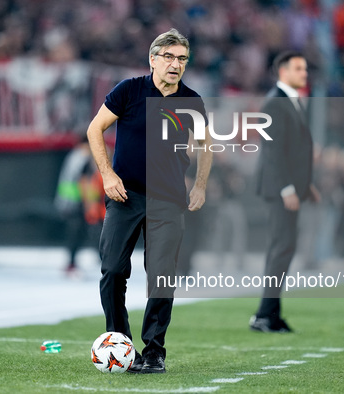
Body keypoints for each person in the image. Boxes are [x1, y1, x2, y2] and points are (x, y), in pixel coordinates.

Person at [86, 28, 212, 373]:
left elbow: (206, 146)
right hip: (125, 195)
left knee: (161, 276)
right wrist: (107, 175)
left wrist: (200, 186)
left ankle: (154, 351)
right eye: (169, 57)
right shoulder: (128, 91)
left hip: (169, 200)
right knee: (112, 269)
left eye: (182, 59)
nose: (175, 64)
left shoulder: (192, 101)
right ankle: (120, 343)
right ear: (153, 59)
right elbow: (95, 129)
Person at [250, 50, 320, 333]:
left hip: (287, 187)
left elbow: (293, 151)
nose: (305, 73)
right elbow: (273, 152)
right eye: (299, 68)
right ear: (283, 72)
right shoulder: (276, 103)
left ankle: (271, 313)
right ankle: (264, 315)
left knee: (283, 249)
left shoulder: (289, 101)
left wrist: (306, 185)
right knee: (281, 249)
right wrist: (288, 188)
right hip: (279, 189)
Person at [54, 137, 104, 276]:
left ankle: (73, 262)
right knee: (78, 232)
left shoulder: (74, 156)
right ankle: (72, 263)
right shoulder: (82, 157)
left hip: (71, 202)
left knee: (79, 232)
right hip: (76, 203)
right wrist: (90, 203)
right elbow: (84, 181)